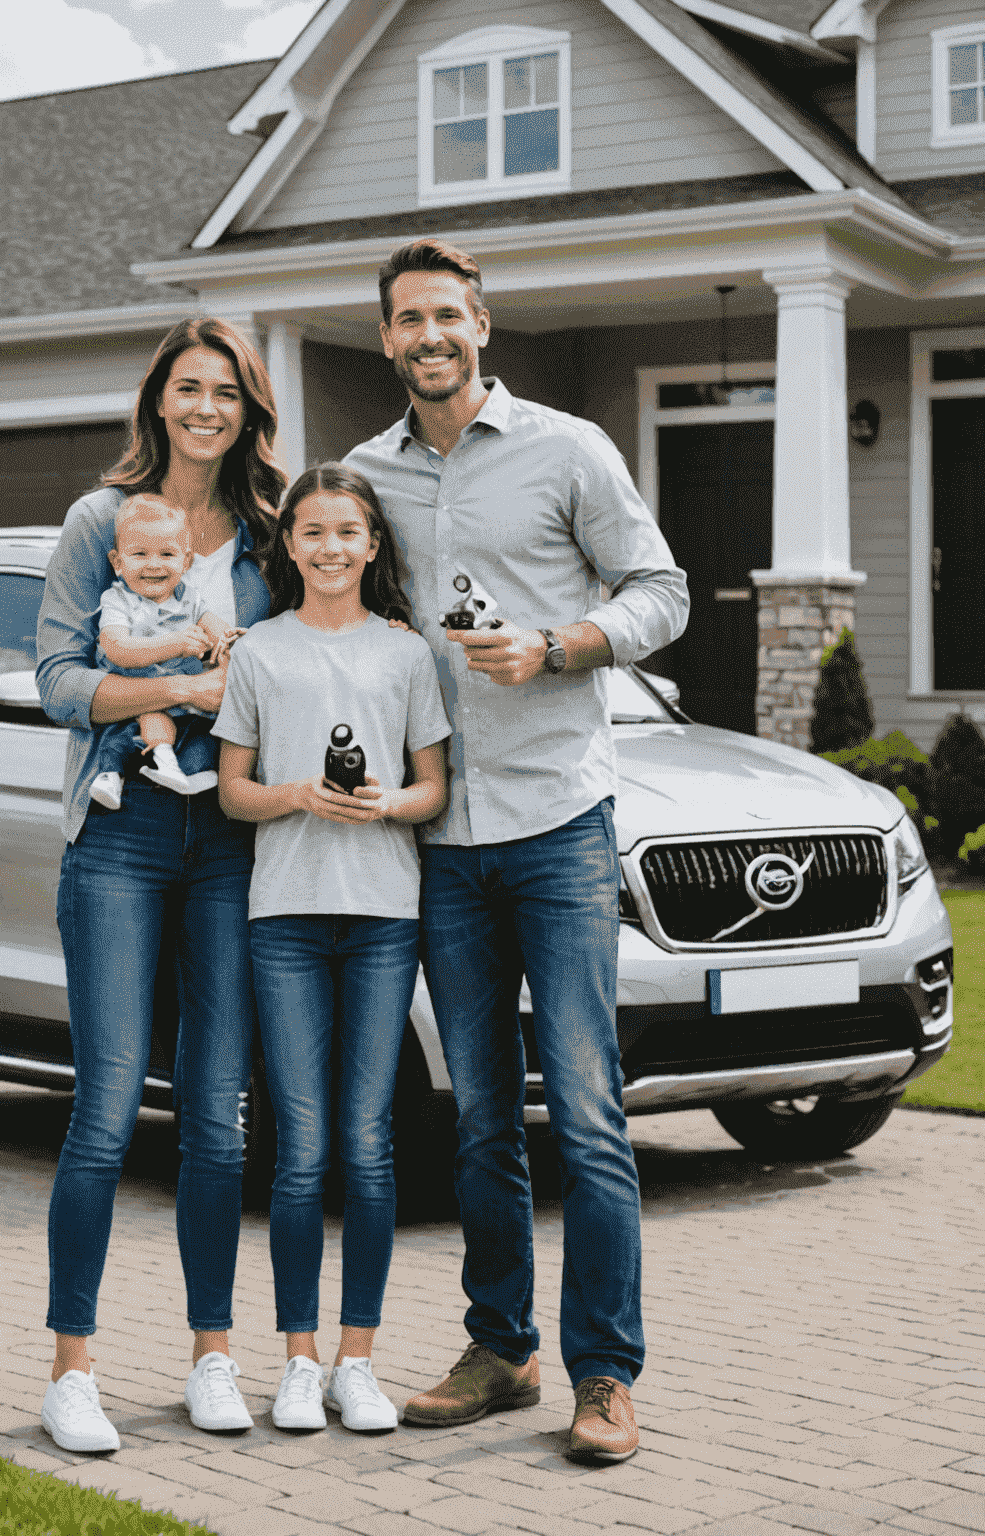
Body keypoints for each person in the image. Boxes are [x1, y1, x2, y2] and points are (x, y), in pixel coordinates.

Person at [344, 238, 689, 1463]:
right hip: (440, 837)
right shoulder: (366, 477)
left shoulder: (569, 449)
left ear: (480, 325)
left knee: (587, 1111)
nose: (429, 336)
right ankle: (502, 1348)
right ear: (385, 339)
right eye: (407, 320)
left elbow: (662, 590)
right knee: (481, 1114)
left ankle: (606, 1376)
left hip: (556, 824)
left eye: (448, 315)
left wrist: (558, 644)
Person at [34, 317, 286, 1454]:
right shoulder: (103, 520)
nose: (205, 408)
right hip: (126, 830)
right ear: (159, 400)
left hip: (231, 838)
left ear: (248, 407)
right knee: (104, 1106)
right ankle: (72, 1370)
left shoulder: (271, 534)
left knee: (220, 1120)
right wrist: (179, 691)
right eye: (188, 388)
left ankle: (213, 1358)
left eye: (225, 391)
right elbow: (53, 678)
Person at [214, 464, 451, 1434]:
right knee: (302, 1150)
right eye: (311, 533)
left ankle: (361, 1359)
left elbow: (430, 787)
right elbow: (233, 791)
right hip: (288, 921)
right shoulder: (260, 653)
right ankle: (299, 1361)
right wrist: (299, 795)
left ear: (373, 545)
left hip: (385, 916)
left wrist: (386, 802)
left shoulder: (406, 655)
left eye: (348, 533)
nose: (330, 550)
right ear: (290, 545)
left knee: (370, 1145)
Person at [88, 494, 243, 808]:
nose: (154, 564)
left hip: (189, 706)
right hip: (140, 694)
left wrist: (232, 642)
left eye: (167, 554)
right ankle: (113, 775)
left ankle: (193, 771)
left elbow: (215, 627)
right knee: (134, 731)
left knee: (206, 733)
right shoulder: (119, 601)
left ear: (185, 562)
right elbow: (118, 649)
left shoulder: (190, 598)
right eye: (140, 554)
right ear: (118, 563)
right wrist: (174, 644)